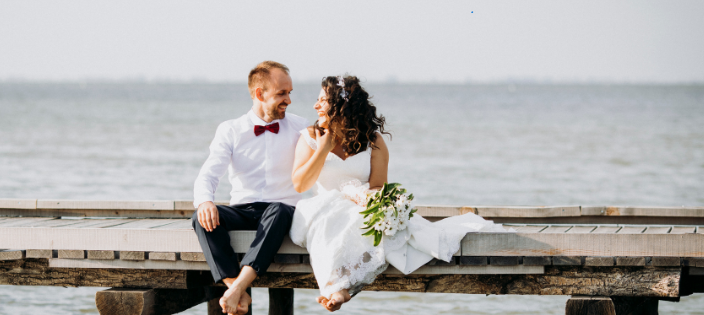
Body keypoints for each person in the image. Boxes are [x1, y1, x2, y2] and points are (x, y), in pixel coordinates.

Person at [289, 75, 510, 312]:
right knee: (337, 220)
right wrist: (323, 148)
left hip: (359, 203)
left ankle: (342, 288)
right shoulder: (310, 137)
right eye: (317, 99)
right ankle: (336, 287)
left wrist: (365, 198)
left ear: (341, 106)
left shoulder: (373, 141)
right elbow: (300, 185)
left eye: (323, 100)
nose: (316, 106)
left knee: (366, 220)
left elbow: (377, 187)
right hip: (322, 208)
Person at [192, 60, 309, 315]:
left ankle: (236, 289)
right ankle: (236, 288)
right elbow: (208, 174)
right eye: (282, 93)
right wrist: (205, 202)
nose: (288, 100)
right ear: (259, 93)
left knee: (278, 210)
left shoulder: (302, 127)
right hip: (244, 210)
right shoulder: (231, 129)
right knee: (201, 218)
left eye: (290, 93)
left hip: (283, 212)